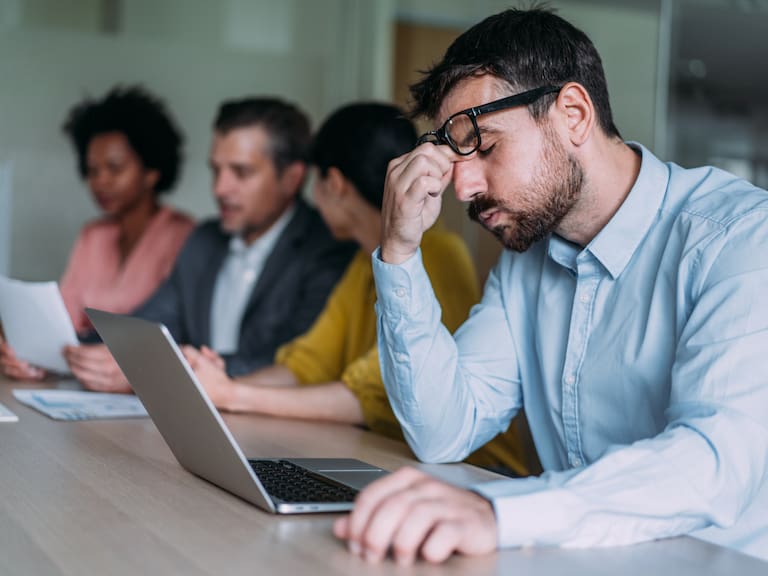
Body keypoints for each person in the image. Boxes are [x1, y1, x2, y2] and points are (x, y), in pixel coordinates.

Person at [333, 7, 768, 565]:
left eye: (484, 146)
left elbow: (714, 465)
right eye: (454, 158)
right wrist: (398, 252)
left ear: (573, 113)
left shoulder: (742, 241)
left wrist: (499, 513)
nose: (463, 187)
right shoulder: (525, 263)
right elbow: (443, 431)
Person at [185, 102, 533, 477]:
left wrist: (233, 396)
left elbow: (366, 398)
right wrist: (212, 388)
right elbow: (307, 364)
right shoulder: (361, 261)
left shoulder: (437, 254)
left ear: (333, 184)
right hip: (394, 461)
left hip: (479, 472)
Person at [58, 97, 356, 392]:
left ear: (291, 178)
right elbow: (148, 326)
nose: (219, 189)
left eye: (241, 172)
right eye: (216, 170)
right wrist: (64, 349)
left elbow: (296, 363)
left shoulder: (328, 249)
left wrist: (167, 370)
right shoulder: (204, 239)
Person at [0, 85, 194, 381]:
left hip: (146, 388)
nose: (100, 181)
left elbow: (174, 334)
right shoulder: (93, 236)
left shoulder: (184, 235)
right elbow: (62, 323)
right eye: (92, 170)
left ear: (151, 172)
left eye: (114, 169)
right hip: (85, 382)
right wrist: (31, 358)